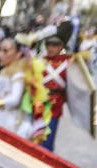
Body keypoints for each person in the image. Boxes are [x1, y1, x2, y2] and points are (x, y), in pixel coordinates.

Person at [0, 37, 49, 143]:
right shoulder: (4, 70)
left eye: (5, 51)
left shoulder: (19, 73)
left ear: (18, 54)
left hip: (8, 122)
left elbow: (14, 100)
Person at [38, 22, 75, 151]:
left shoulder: (69, 62)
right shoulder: (41, 60)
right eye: (48, 44)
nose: (50, 48)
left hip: (54, 107)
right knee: (34, 138)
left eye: (55, 45)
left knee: (47, 142)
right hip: (38, 105)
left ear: (62, 46)